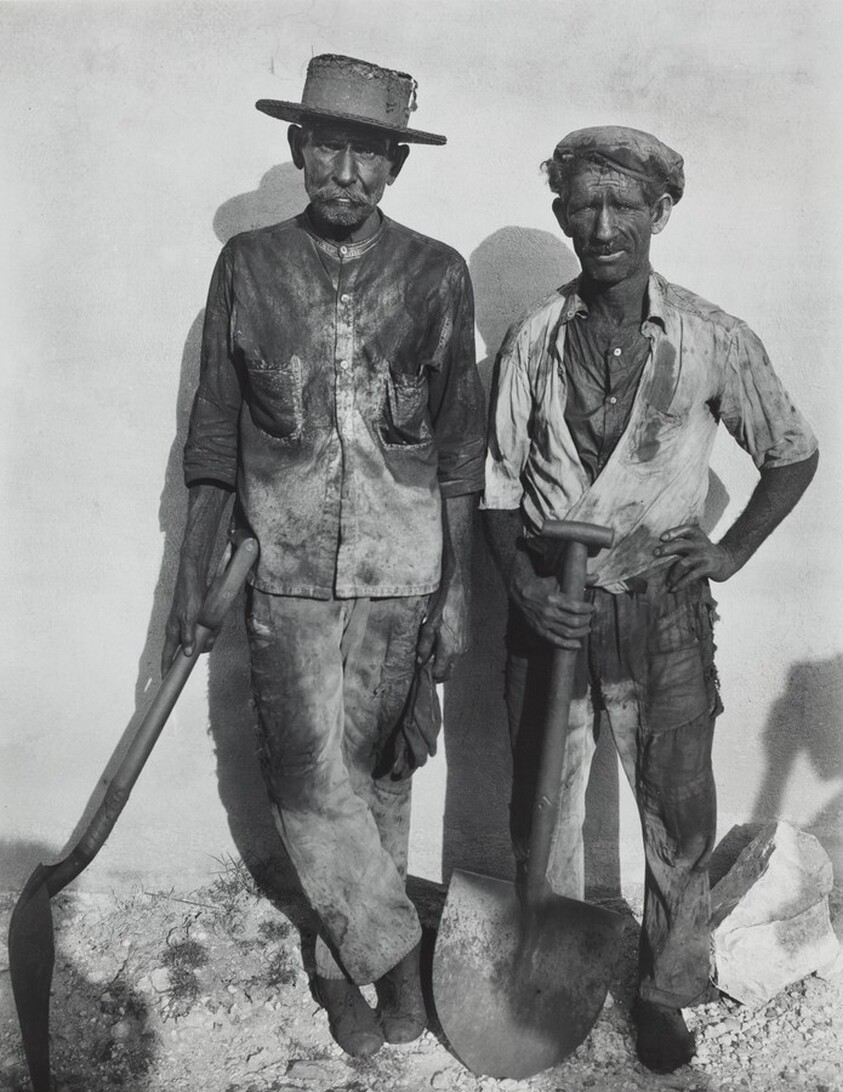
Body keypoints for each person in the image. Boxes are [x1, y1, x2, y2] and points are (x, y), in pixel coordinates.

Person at [163, 54, 485, 1058]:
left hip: (403, 569)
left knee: (381, 774)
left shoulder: (437, 274)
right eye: (327, 148)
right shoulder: (249, 266)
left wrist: (458, 593)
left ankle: (348, 968)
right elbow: (214, 434)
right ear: (299, 148)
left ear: (395, 163)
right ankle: (392, 956)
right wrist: (191, 577)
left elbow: (461, 448)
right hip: (286, 573)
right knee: (306, 779)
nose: (345, 173)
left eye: (368, 154)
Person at [482, 126, 818, 1074]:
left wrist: (729, 551)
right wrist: (524, 588)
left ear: (659, 214)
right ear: (561, 214)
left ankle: (665, 985)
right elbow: (496, 486)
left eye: (622, 205)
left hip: (660, 615)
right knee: (540, 800)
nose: (601, 226)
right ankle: (545, 969)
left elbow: (791, 453)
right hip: (550, 612)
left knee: (677, 813)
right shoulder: (533, 339)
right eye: (582, 205)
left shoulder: (710, 338)